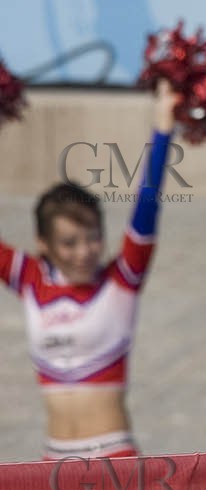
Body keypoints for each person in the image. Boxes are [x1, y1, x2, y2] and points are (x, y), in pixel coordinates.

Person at [0, 81, 181, 459]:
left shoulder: (122, 281)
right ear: (43, 245)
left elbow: (148, 206)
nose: (84, 252)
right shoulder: (30, 280)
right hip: (53, 463)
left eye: (92, 238)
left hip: (113, 461)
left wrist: (163, 126)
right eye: (69, 243)